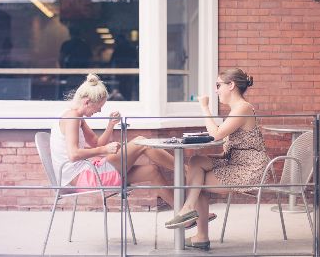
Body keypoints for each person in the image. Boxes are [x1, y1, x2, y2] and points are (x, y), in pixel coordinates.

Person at [164, 68, 270, 251]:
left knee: (198, 183)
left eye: (218, 85)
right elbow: (233, 147)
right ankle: (193, 219)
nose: (216, 90)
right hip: (235, 162)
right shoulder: (237, 109)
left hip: (249, 169)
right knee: (196, 162)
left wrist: (204, 107)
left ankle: (196, 225)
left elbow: (217, 134)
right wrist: (210, 157)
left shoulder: (243, 108)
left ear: (231, 85)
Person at [50, 73, 175, 207]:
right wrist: (104, 150)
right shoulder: (72, 117)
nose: (99, 111)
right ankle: (184, 170)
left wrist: (110, 125)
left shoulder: (77, 117)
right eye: (99, 106)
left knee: (152, 171)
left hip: (87, 174)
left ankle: (183, 213)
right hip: (84, 179)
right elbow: (73, 154)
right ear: (87, 102)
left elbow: (96, 143)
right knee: (141, 142)